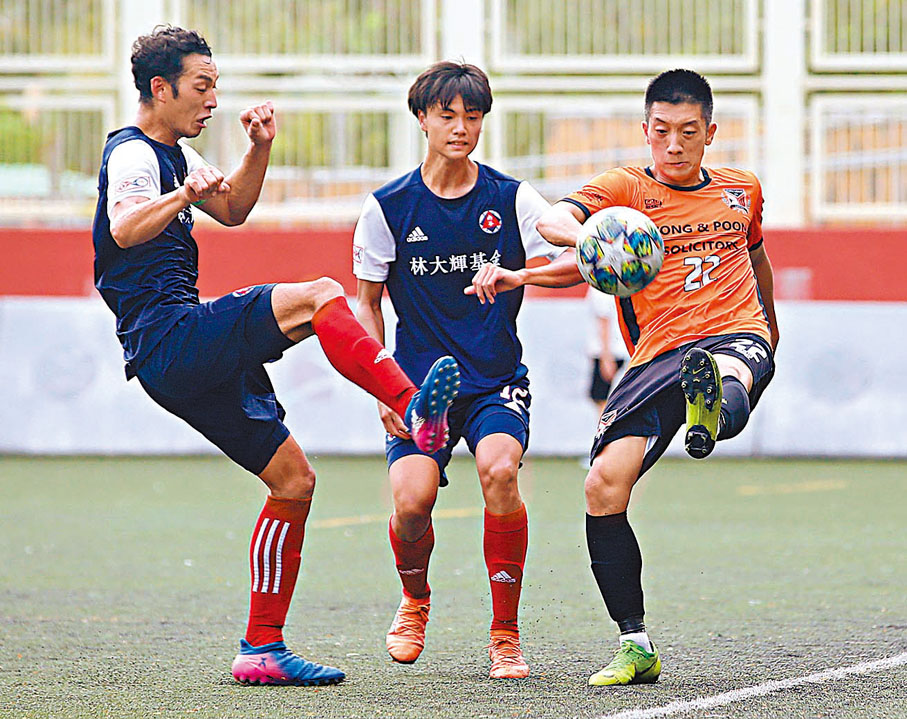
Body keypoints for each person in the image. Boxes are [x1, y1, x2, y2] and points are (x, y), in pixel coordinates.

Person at [91, 25, 459, 687]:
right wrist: (182, 195)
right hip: (167, 334)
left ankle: (261, 647)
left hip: (168, 356)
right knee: (320, 295)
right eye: (201, 87)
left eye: (215, 88)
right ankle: (410, 406)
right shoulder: (134, 154)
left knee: (294, 482)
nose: (211, 100)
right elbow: (124, 227)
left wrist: (257, 148)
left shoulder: (171, 155)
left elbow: (230, 208)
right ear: (159, 88)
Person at [533, 68, 780, 686]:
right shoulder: (622, 189)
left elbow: (755, 255)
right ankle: (635, 644)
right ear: (646, 131)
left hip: (732, 332)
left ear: (710, 133)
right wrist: (591, 233)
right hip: (654, 358)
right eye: (662, 131)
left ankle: (716, 407)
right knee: (602, 488)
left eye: (688, 132)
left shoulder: (741, 190)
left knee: (730, 372)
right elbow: (551, 220)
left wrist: (771, 325)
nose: (674, 144)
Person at [352, 61, 579, 679]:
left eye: (472, 116)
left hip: (493, 380)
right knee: (412, 502)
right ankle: (414, 599)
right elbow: (367, 305)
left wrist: (541, 254)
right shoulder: (387, 208)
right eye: (447, 115)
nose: (461, 128)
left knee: (499, 471)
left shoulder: (510, 197)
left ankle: (504, 633)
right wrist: (381, 387)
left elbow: (571, 253)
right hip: (416, 389)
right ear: (421, 119)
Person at [586, 285, 629, 416]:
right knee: (604, 400)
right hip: (617, 350)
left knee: (604, 401)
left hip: (610, 352)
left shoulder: (601, 286)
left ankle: (605, 434)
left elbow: (604, 322)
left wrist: (606, 358)